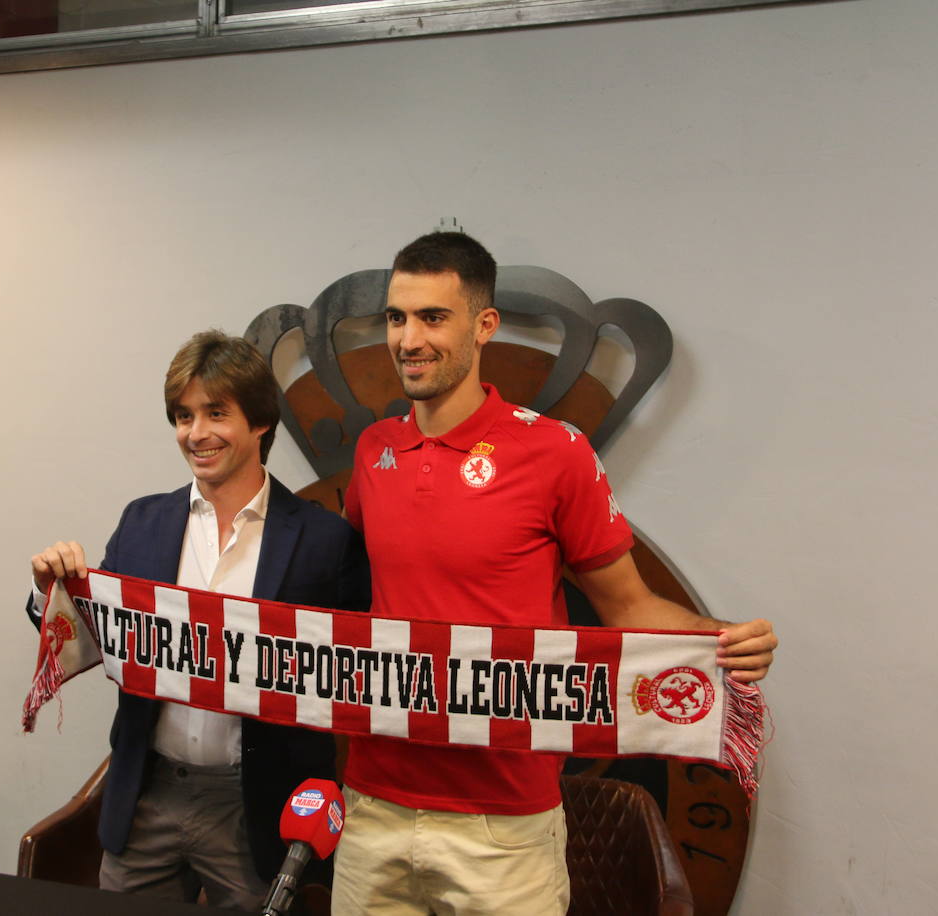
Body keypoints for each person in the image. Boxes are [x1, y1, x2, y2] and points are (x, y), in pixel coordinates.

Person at [332, 232, 779, 916]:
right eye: (396, 317)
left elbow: (627, 605)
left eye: (432, 317)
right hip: (374, 805)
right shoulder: (374, 450)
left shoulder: (555, 452)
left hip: (503, 821)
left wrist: (721, 640)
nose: (408, 338)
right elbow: (332, 584)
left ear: (484, 326)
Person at [25, 330, 369, 911]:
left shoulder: (324, 540)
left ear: (260, 421)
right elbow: (96, 638)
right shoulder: (142, 523)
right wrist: (49, 595)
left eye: (216, 413)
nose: (196, 433)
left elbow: (357, 675)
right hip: (146, 794)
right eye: (184, 416)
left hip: (256, 807)